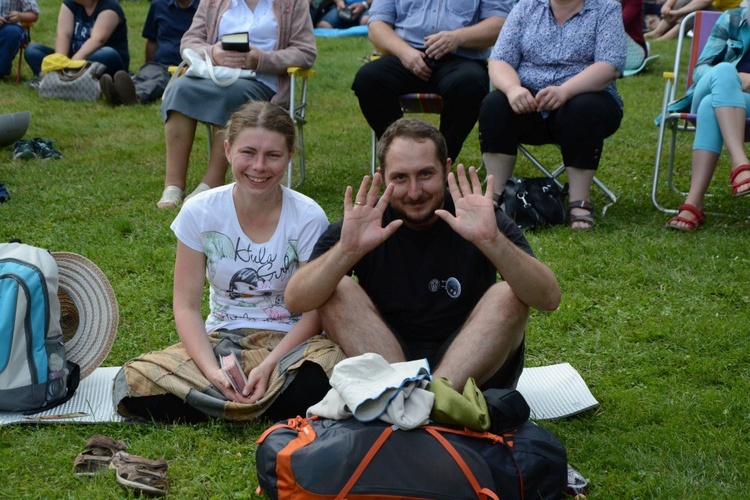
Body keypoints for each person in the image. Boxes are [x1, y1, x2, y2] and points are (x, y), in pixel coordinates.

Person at [284, 118, 561, 393]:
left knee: (508, 294)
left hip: (473, 367)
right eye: (401, 178)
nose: (414, 192)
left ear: (446, 169)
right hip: (387, 361)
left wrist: (492, 241)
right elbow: (296, 300)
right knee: (336, 287)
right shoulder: (367, 222)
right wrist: (345, 252)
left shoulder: (475, 216)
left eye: (426, 174)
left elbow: (548, 299)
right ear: (382, 176)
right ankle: (407, 393)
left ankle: (433, 398)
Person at [114, 101, 346, 423]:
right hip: (222, 341)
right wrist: (212, 371)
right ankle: (251, 401)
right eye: (248, 152)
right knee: (133, 381)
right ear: (227, 150)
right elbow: (186, 306)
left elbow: (313, 314)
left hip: (291, 346)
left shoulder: (308, 217)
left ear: (290, 156)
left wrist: (268, 366)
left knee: (329, 370)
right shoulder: (200, 212)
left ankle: (222, 405)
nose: (259, 166)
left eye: (273, 156)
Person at [478, 0, 626, 230]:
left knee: (581, 108)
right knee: (495, 104)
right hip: (530, 104)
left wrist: (566, 91)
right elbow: (500, 60)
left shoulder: (606, 7)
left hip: (586, 101)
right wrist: (513, 89)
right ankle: (494, 196)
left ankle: (580, 202)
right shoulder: (526, 7)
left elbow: (609, 65)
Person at [156, 0, 316, 209]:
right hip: (214, 74)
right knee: (179, 90)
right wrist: (214, 53)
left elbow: (305, 52)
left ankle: (212, 181)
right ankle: (174, 185)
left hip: (261, 82)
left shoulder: (293, 3)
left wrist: (260, 59)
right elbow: (190, 41)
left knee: (230, 96)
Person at [351, 0, 512, 164]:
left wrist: (457, 37)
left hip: (460, 57)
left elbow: (500, 24)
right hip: (405, 53)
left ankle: (440, 162)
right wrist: (404, 52)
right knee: (368, 80)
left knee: (470, 84)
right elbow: (377, 25)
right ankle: (399, 156)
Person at [663, 7, 750, 231]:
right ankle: (740, 162)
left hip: (726, 103)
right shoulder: (733, 19)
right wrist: (731, 79)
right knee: (722, 70)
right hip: (714, 85)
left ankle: (693, 202)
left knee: (710, 105)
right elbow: (701, 69)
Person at [100, 0, 199, 106]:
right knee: (145, 75)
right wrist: (147, 65)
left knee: (160, 81)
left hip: (186, 66)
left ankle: (135, 96)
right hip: (160, 63)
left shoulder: (204, 7)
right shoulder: (158, 5)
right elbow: (151, 41)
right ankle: (118, 92)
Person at [24, 0, 129, 79]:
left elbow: (98, 39)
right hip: (72, 60)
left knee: (107, 54)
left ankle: (58, 79)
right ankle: (65, 79)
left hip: (96, 59)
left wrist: (71, 65)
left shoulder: (110, 7)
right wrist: (60, 62)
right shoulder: (70, 3)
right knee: (32, 51)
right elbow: (64, 35)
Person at [644, 0, 740, 40]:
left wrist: (679, 12)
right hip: (711, 9)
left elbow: (705, 1)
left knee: (699, 9)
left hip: (726, 16)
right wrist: (667, 5)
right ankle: (657, 32)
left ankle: (667, 37)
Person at [0, 0, 39, 79]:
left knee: (12, 33)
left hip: (12, 27)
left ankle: (1, 69)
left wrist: (20, 16)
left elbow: (34, 15)